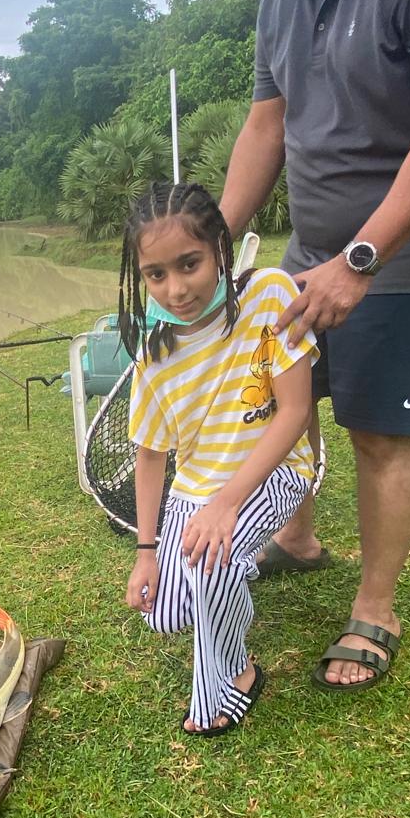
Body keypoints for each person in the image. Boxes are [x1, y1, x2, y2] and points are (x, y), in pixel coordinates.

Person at [219, 0, 410, 692]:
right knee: (288, 400)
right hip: (308, 250)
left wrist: (360, 259)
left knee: (379, 432)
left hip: (405, 252)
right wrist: (210, 246)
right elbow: (267, 123)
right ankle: (298, 536)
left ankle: (377, 609)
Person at [121, 180, 317, 736]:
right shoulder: (155, 351)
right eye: (156, 275)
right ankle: (234, 565)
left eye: (190, 264)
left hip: (276, 471)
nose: (176, 289)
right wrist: (146, 551)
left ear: (220, 252)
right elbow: (152, 456)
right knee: (165, 612)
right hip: (197, 488)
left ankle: (234, 679)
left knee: (212, 565)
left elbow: (296, 411)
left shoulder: (268, 294)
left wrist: (229, 504)